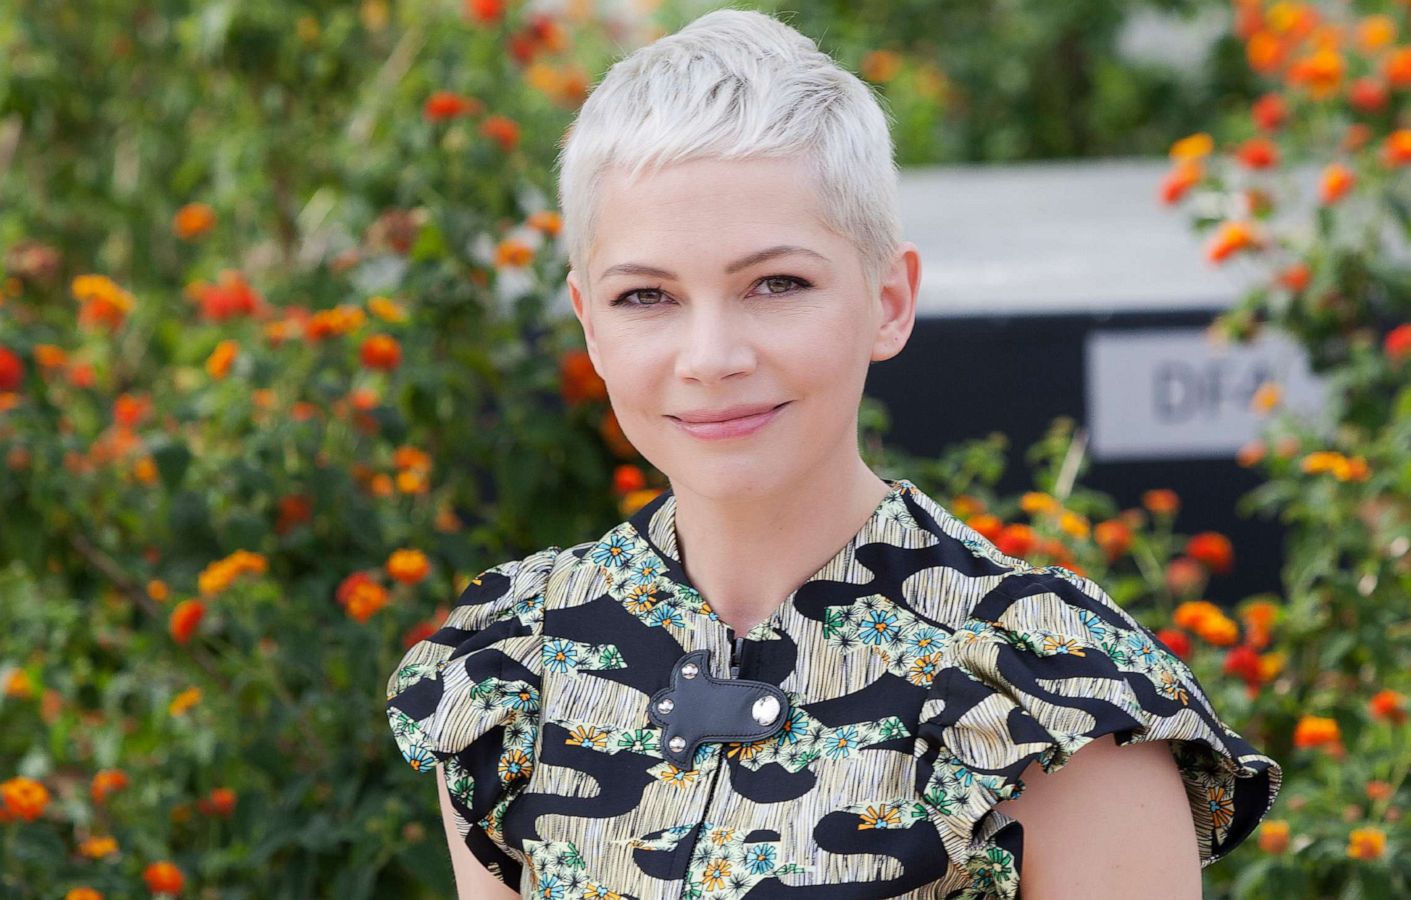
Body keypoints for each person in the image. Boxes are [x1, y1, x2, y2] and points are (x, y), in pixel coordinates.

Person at [384, 8, 1282, 898]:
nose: (711, 357)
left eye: (777, 284)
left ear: (889, 299)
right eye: (646, 297)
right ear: (588, 321)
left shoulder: (1052, 696)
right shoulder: (516, 663)